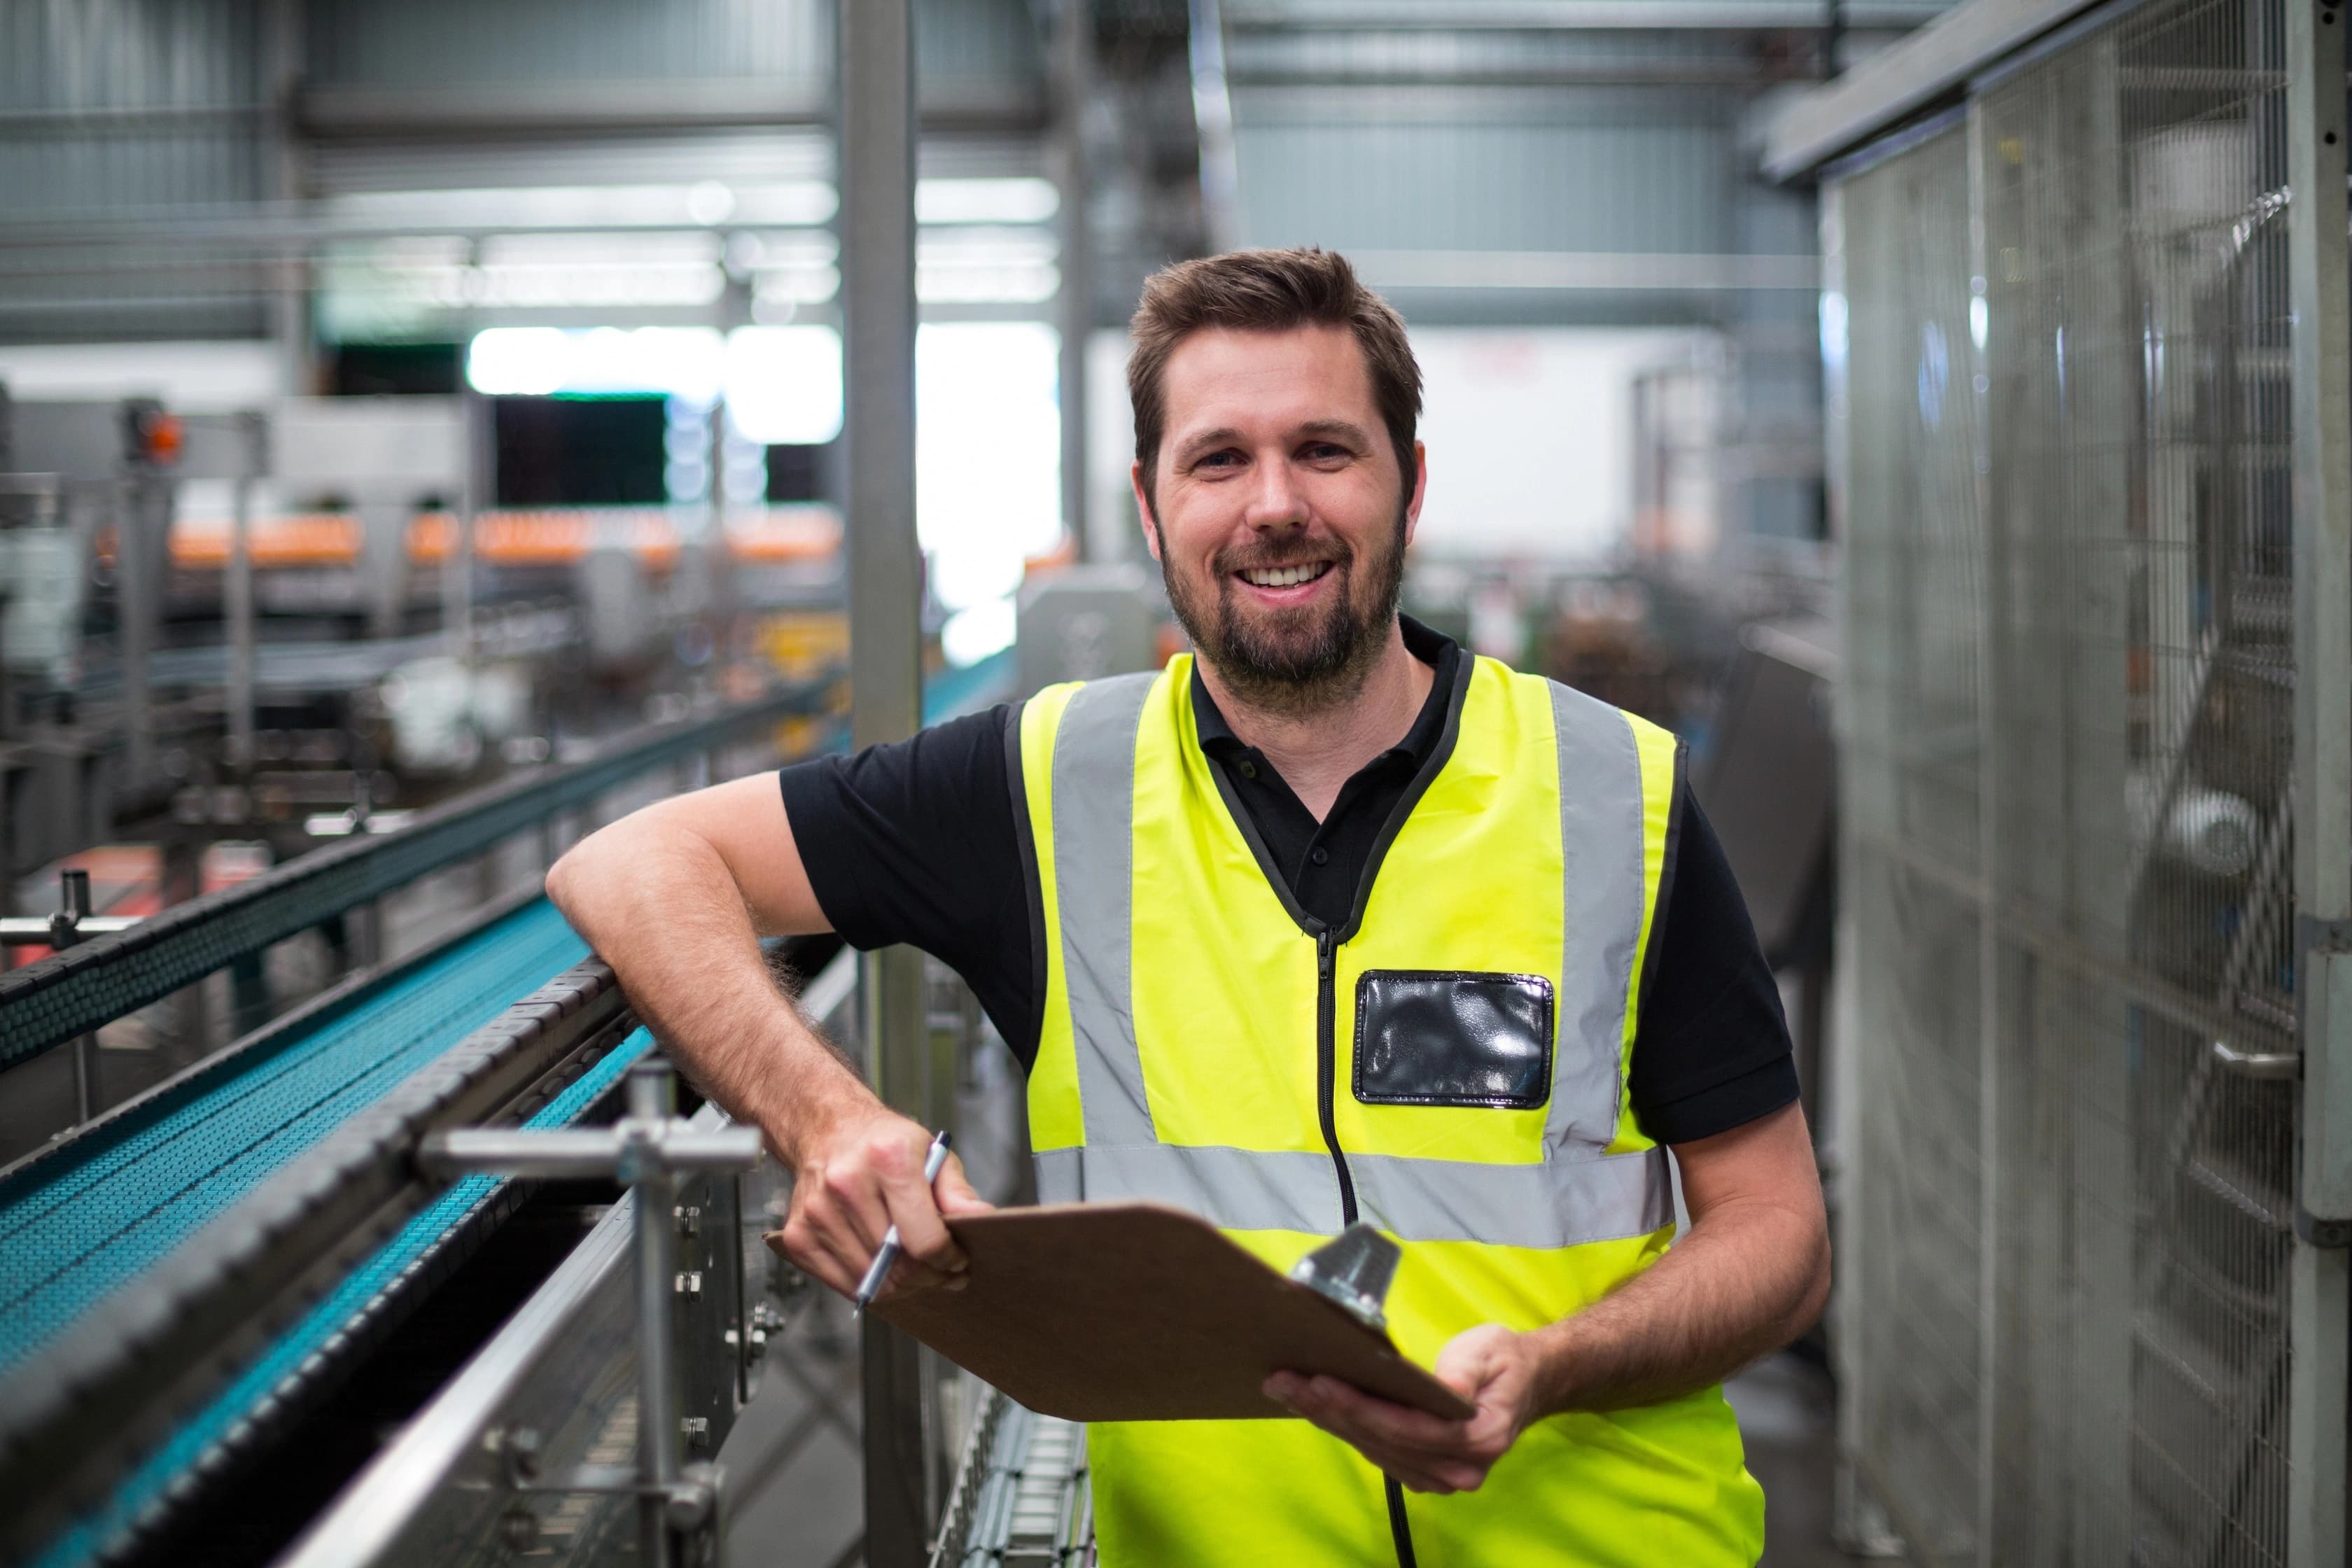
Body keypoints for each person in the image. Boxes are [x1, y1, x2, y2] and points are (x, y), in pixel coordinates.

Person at [548, 246, 1829, 1567]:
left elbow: (1778, 1231)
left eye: (1326, 450)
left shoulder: (1612, 794)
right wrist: (831, 1120)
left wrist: (1556, 1365)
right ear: (1152, 515)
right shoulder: (1043, 789)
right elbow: (630, 864)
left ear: (1411, 485)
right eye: (1218, 460)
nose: (1276, 505)